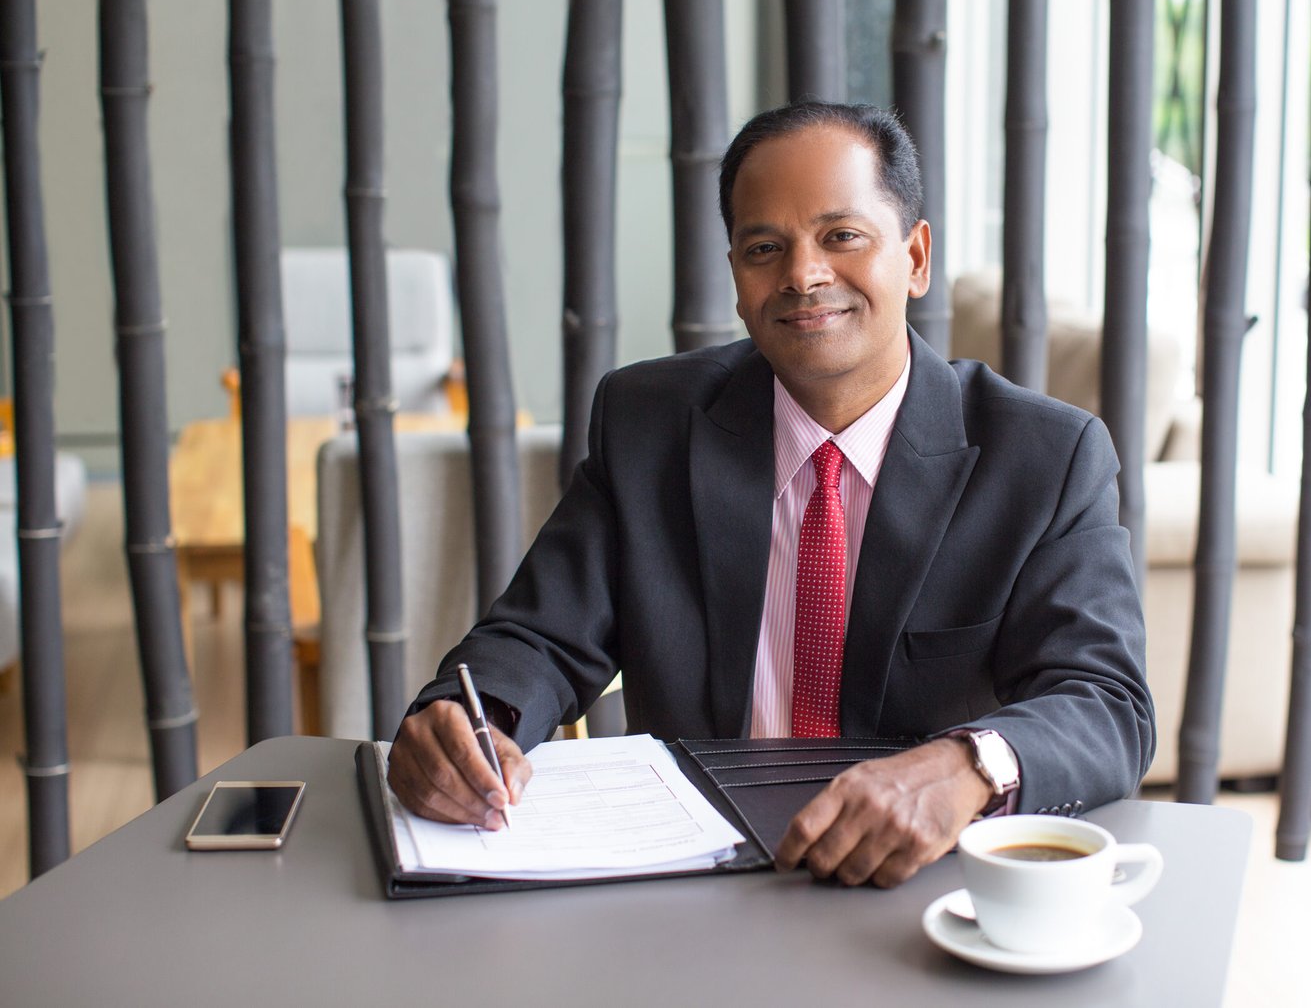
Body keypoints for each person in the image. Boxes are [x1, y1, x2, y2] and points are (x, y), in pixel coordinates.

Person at [387, 101, 1153, 888]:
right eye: (765, 247)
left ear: (915, 257)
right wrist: (467, 723)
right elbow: (540, 638)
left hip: (921, 888)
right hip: (695, 886)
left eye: (842, 236)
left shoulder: (1044, 458)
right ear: (737, 276)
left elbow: (1105, 703)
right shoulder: (652, 424)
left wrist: (966, 764)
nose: (803, 275)